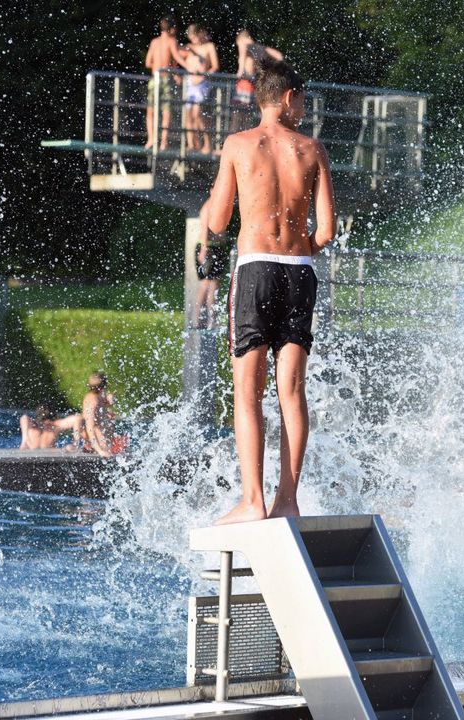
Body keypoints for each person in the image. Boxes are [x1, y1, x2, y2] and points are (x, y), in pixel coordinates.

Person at [207, 57, 335, 524]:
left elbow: (219, 222)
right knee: (292, 391)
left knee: (247, 389)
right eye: (301, 99)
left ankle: (252, 501)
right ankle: (288, 501)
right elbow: (327, 230)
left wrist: (211, 219)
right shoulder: (312, 149)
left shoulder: (239, 145)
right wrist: (299, 250)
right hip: (300, 271)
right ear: (287, 98)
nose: (303, 107)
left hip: (256, 268)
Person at [176, 24, 219, 154]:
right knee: (188, 115)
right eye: (191, 37)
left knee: (198, 114)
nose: (194, 40)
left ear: (201, 33)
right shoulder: (189, 47)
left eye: (195, 37)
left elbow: (215, 66)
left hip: (202, 84)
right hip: (190, 84)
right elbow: (174, 55)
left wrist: (205, 75)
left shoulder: (209, 46)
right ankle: (193, 144)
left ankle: (207, 143)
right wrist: (177, 73)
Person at [231, 30, 283, 131]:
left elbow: (242, 57)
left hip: (245, 84)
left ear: (241, 40)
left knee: (238, 114)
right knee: (249, 115)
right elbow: (279, 56)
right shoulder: (261, 48)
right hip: (255, 85)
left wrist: (240, 71)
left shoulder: (244, 45)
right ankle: (248, 137)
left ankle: (236, 137)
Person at [144, 16, 182, 149]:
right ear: (172, 29)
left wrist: (158, 65)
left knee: (151, 110)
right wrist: (186, 68)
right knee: (166, 111)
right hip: (166, 79)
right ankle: (164, 142)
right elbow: (177, 57)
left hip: (154, 79)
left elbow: (148, 62)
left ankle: (151, 139)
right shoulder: (172, 41)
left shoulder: (154, 42)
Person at [194, 197, 228, 328]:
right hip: (208, 248)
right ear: (212, 189)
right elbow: (204, 229)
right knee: (210, 285)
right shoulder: (209, 206)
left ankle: (201, 321)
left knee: (209, 284)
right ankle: (209, 321)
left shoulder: (216, 204)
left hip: (213, 248)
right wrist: (204, 249)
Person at [82, 372, 127, 457]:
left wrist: (109, 400)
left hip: (105, 446)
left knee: (110, 415)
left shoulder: (97, 397)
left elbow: (103, 407)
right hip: (97, 447)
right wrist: (99, 451)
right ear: (103, 387)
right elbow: (90, 427)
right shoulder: (92, 401)